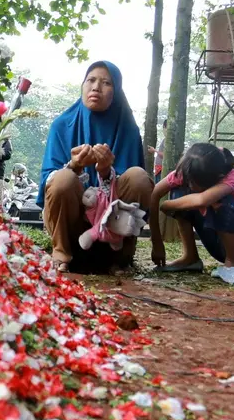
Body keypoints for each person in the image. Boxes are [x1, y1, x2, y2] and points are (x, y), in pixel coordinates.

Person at [39, 61, 154, 272]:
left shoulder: (127, 130)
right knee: (63, 179)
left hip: (113, 230)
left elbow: (137, 190)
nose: (96, 87)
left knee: (138, 177)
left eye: (106, 82)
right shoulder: (61, 126)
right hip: (73, 228)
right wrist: (73, 166)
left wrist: (105, 172)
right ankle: (62, 252)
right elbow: (47, 181)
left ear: (116, 91)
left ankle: (121, 257)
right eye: (90, 80)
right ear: (82, 85)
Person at [148, 143, 234, 272]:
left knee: (221, 200)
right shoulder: (190, 170)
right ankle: (190, 257)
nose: (191, 186)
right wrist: (157, 242)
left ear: (215, 178)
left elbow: (202, 200)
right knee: (179, 191)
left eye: (194, 183)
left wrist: (167, 205)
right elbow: (154, 194)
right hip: (217, 244)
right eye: (189, 181)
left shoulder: (233, 177)